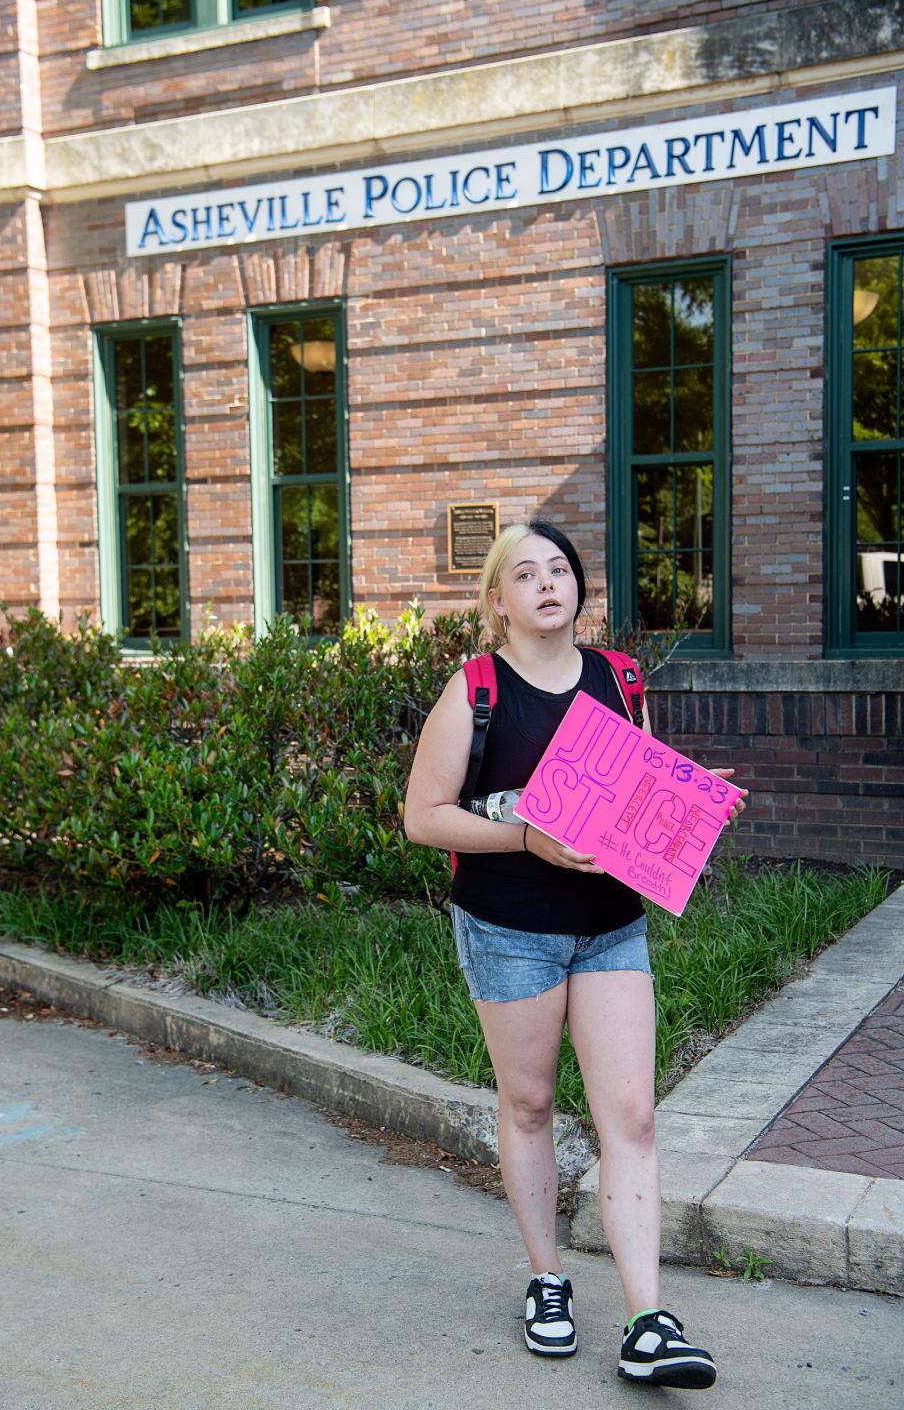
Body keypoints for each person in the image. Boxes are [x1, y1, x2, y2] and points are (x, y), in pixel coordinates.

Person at [404, 520, 747, 1389]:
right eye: (527, 574)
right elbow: (425, 816)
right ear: (499, 602)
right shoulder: (476, 690)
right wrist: (528, 838)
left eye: (560, 569)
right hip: (508, 927)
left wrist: (694, 809)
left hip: (611, 925)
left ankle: (647, 1320)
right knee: (528, 1107)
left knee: (630, 1116)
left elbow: (633, 796)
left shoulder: (618, 677)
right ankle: (547, 1281)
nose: (549, 583)